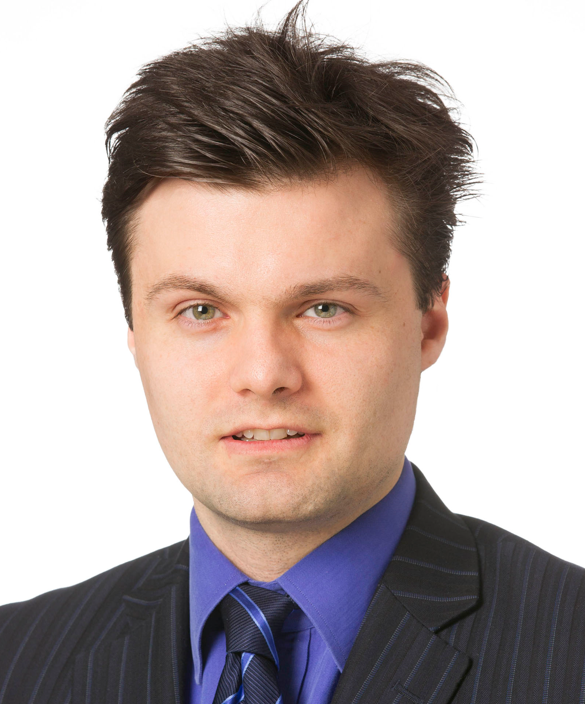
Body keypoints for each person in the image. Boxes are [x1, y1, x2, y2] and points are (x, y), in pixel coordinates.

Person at [1, 4, 583, 703]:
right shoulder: (16, 660)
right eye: (201, 311)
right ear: (135, 332)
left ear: (428, 324)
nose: (262, 374)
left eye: (323, 308)